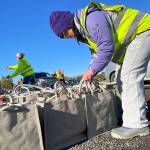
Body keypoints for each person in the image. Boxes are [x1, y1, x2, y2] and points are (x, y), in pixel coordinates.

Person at [49, 2, 150, 139]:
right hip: (136, 37)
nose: (66, 37)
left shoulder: (91, 19)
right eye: (62, 36)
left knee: (129, 75)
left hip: (143, 30)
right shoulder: (85, 33)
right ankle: (131, 116)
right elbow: (96, 55)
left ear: (67, 24)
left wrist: (92, 71)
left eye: (64, 33)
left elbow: (106, 47)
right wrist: (90, 70)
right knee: (120, 78)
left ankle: (137, 124)